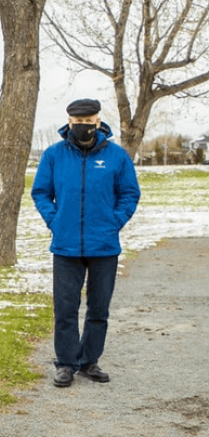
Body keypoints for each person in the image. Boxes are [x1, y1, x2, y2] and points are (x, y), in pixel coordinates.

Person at [31, 99, 140, 388]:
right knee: (65, 308)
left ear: (98, 121)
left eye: (89, 121)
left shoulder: (116, 156)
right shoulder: (54, 155)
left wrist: (113, 221)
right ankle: (66, 363)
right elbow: (40, 192)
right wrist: (55, 220)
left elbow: (130, 193)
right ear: (69, 122)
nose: (84, 126)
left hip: (104, 246)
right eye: (78, 122)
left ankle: (89, 361)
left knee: (99, 309)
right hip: (66, 247)